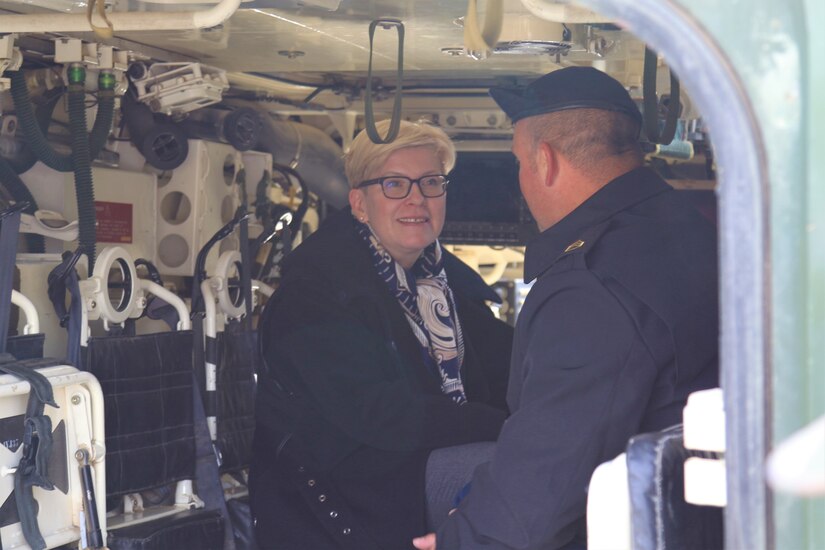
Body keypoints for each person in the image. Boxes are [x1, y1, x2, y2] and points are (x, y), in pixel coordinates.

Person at [413, 66, 719, 550]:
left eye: (519, 163)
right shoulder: (685, 228)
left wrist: (463, 539)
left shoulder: (591, 287)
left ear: (545, 161)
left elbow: (538, 496)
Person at [250, 119, 513, 549]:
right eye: (394, 185)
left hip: (416, 471)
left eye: (431, 182)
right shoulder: (317, 292)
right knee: (515, 468)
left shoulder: (442, 287)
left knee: (557, 460)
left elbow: (510, 362)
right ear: (358, 203)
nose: (417, 199)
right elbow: (380, 415)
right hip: (344, 501)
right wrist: (503, 428)